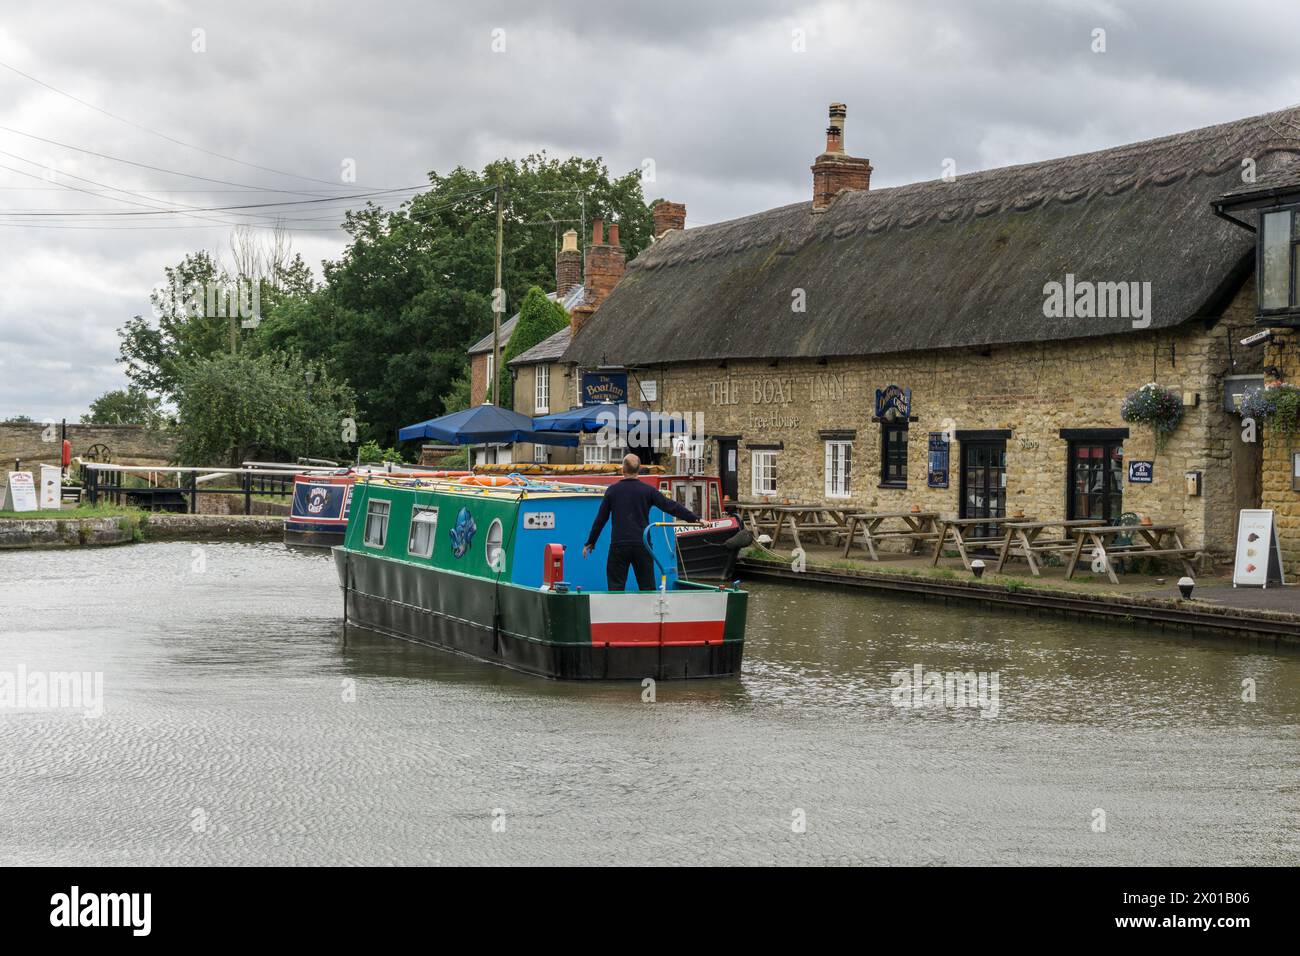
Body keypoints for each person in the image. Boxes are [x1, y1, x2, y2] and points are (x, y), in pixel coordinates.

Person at [583, 453, 699, 591]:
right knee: (647, 588)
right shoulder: (648, 491)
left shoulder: (612, 491)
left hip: (619, 545)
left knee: (615, 588)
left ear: (622, 470)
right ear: (638, 470)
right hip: (642, 545)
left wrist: (591, 542)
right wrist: (695, 519)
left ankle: (615, 611)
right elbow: (671, 506)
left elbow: (601, 519)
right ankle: (648, 612)